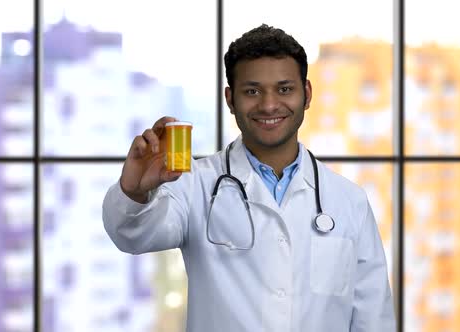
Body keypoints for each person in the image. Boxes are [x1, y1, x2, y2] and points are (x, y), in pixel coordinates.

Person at [102, 24, 396, 331]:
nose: (269, 105)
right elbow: (132, 235)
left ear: (306, 94)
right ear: (230, 99)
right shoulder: (193, 184)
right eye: (252, 91)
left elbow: (373, 318)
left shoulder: (349, 201)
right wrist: (134, 192)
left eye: (284, 89)